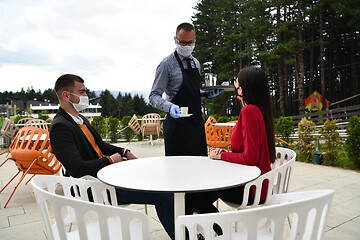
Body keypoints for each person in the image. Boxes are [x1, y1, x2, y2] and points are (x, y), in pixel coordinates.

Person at [50, 74, 175, 239]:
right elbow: (76, 168)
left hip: (108, 177)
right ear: (66, 95)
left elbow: (101, 146)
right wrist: (110, 160)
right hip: (94, 188)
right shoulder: (60, 127)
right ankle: (183, 235)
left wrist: (124, 152)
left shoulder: (79, 119)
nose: (85, 96)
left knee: (156, 180)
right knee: (164, 196)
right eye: (82, 92)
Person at [185, 66, 276, 235]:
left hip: (251, 190)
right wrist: (225, 154)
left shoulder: (249, 111)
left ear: (246, 88)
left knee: (193, 197)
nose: (235, 86)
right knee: (200, 193)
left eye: (238, 84)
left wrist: (221, 156)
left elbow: (250, 158)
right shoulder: (260, 109)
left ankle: (222, 233)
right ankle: (219, 232)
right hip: (260, 185)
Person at [149, 22, 223, 156]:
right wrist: (169, 107)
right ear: (175, 40)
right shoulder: (166, 65)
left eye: (190, 42)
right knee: (178, 171)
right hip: (176, 128)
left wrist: (206, 94)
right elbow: (153, 96)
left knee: (199, 168)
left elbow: (192, 92)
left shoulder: (196, 63)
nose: (187, 46)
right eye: (183, 43)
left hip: (196, 125)